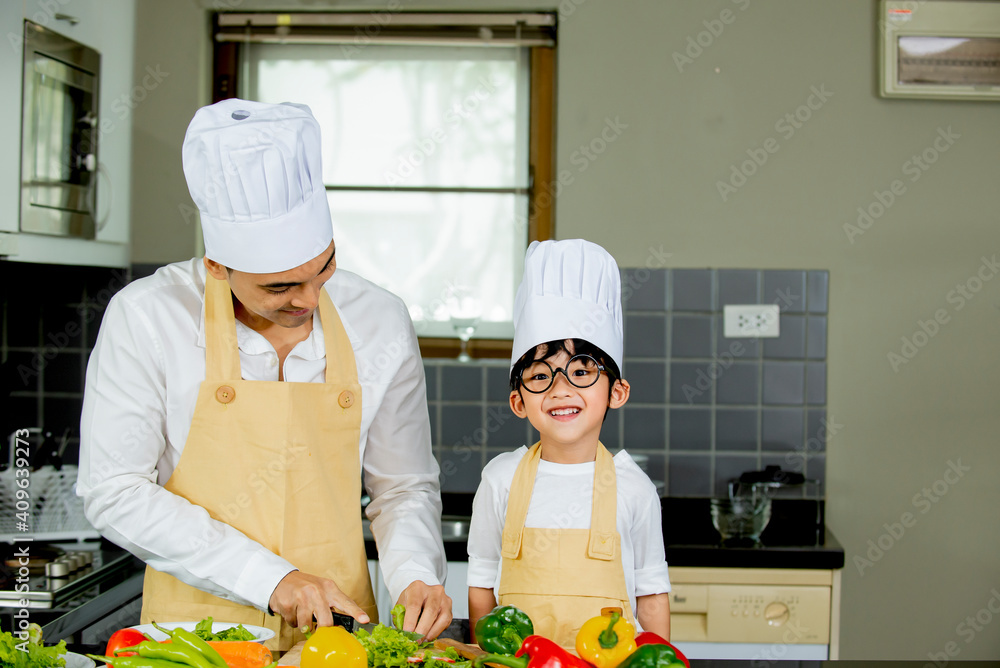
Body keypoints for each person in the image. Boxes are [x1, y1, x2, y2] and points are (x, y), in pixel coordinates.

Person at [77, 99, 451, 650]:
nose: (308, 299)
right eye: (279, 287)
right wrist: (271, 580)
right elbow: (115, 490)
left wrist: (416, 573)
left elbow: (402, 486)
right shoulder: (149, 316)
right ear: (216, 266)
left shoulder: (379, 318)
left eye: (324, 268)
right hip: (196, 639)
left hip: (337, 638)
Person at [466, 239, 671, 647]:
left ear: (617, 392)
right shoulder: (500, 479)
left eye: (582, 371)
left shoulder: (634, 487)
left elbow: (651, 592)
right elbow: (481, 582)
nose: (560, 389)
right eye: (540, 376)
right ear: (518, 401)